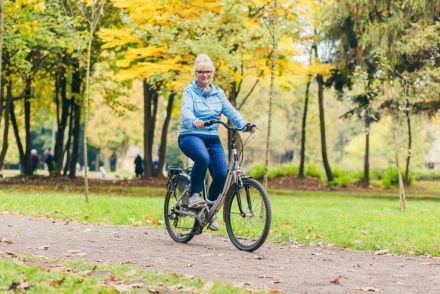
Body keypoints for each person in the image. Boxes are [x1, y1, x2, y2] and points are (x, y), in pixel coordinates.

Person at [178, 54, 255, 231]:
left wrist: (244, 125)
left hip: (212, 137)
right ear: (195, 73)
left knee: (222, 173)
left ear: (212, 74)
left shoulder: (218, 92)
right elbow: (186, 111)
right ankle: (194, 195)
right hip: (191, 135)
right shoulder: (189, 91)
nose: (205, 75)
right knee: (203, 159)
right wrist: (194, 121)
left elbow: (231, 112)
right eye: (201, 72)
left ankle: (208, 211)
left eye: (208, 72)